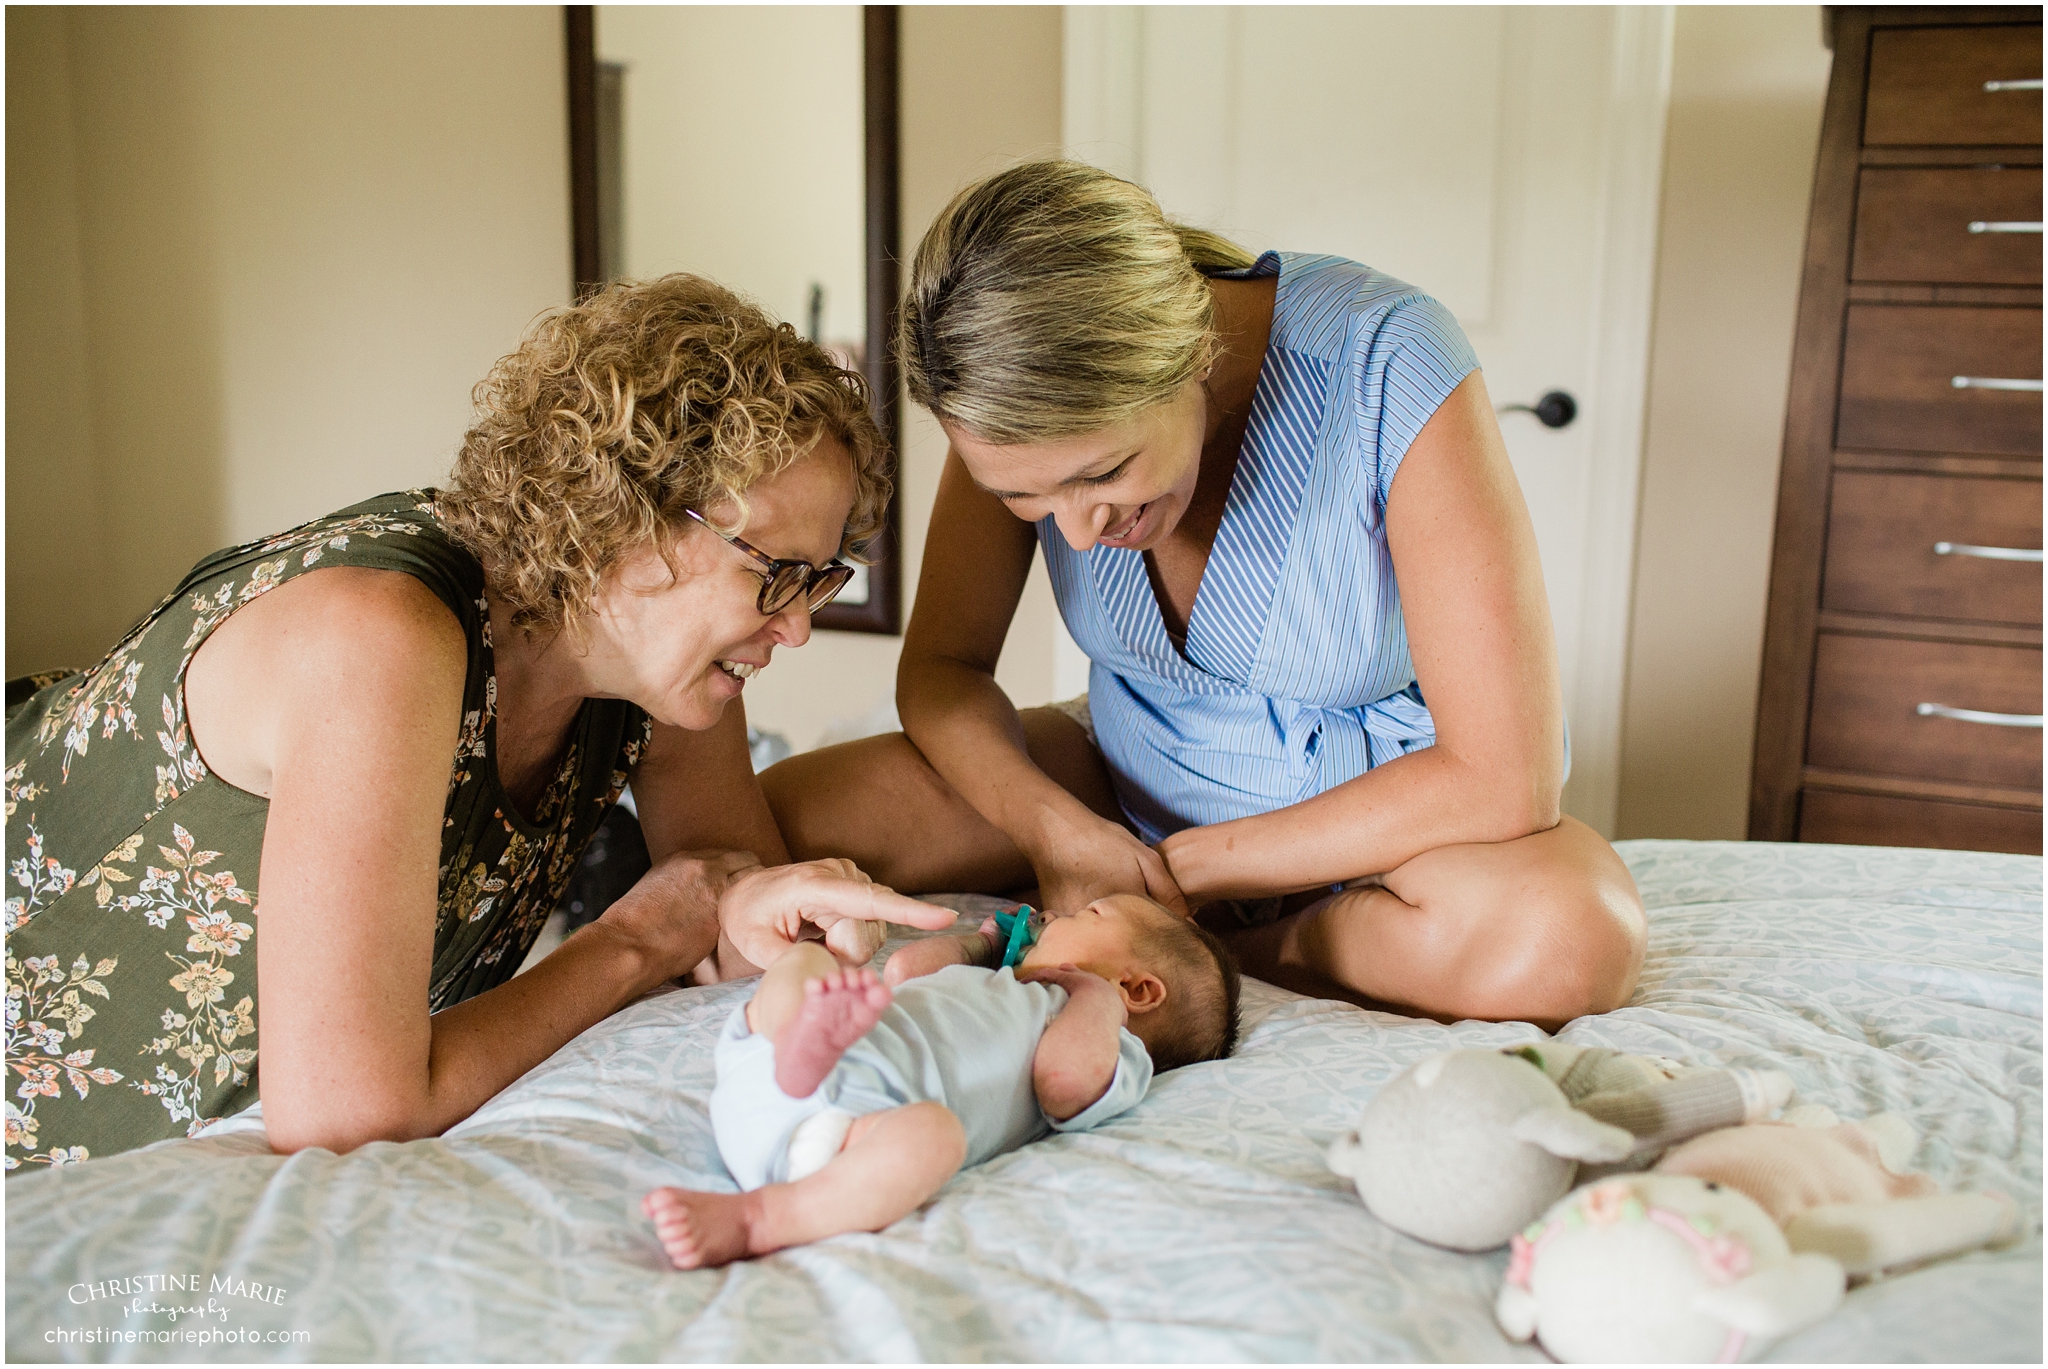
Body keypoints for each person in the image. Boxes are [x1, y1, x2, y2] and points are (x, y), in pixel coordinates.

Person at [3, 275, 954, 1173]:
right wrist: (633, 939)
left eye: (821, 580)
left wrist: (764, 923)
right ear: (632, 523)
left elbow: (729, 896)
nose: (795, 626)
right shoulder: (384, 639)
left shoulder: (660, 671)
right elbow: (344, 1113)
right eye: (777, 574)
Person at [761, 160, 1646, 1031]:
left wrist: (1181, 873)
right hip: (1128, 767)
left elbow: (1505, 778)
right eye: (1025, 501)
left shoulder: (1387, 358)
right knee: (787, 819)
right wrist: (1055, 832)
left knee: (1568, 941)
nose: (1071, 534)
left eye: (1103, 473)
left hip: (1384, 825)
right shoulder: (1012, 399)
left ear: (1189, 356)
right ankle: (1121, 911)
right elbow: (944, 672)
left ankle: (1247, 950)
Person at [642, 893, 1241, 1269]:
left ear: (1137, 988)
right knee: (809, 961)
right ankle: (804, 1042)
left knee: (935, 1136)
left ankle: (759, 1219)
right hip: (771, 1063)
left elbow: (1062, 1082)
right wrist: (980, 946)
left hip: (844, 1137)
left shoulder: (1113, 1038)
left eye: (1089, 915)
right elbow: (905, 969)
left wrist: (1092, 995)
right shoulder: (1004, 982)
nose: (1056, 914)